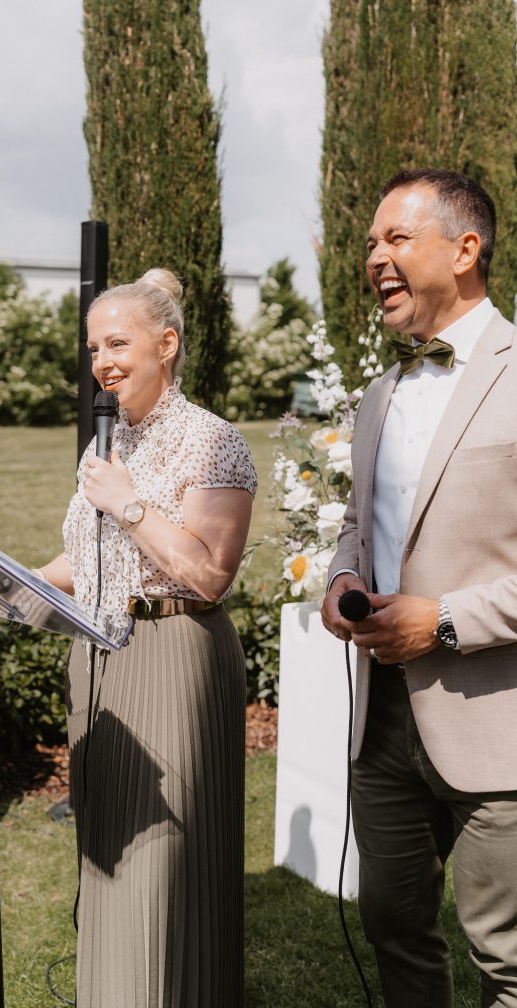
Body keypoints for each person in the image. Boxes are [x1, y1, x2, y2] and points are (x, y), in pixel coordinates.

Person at [321, 168, 517, 1006]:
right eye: (370, 243)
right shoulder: (379, 394)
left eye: (395, 238)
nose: (374, 257)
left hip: (496, 723)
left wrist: (441, 621)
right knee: (394, 929)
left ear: (464, 249)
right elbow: (356, 529)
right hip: (383, 722)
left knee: (503, 957)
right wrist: (339, 579)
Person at [38, 267, 256, 1008]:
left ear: (166, 344)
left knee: (166, 858)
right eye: (93, 347)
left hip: (174, 655)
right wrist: (10, 579)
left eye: (118, 342)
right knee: (109, 843)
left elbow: (207, 574)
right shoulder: (105, 447)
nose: (102, 361)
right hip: (96, 653)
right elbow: (90, 557)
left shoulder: (212, 440)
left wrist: (128, 503)